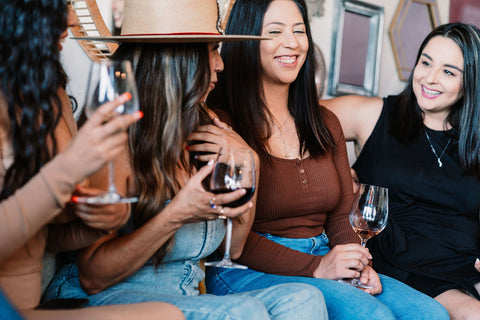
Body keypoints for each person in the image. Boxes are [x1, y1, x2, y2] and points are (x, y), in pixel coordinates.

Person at [42, 1, 328, 319]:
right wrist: (176, 214)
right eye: (210, 49)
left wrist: (251, 163)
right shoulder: (117, 135)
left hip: (183, 295)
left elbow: (231, 250)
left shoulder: (206, 130)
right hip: (105, 297)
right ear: (176, 61)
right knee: (241, 310)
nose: (220, 64)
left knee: (304, 298)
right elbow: (93, 276)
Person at [201, 0, 450, 319]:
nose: (291, 42)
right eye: (275, 31)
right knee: (371, 315)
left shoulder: (324, 122)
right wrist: (317, 266)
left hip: (323, 253)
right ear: (247, 39)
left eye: (299, 30)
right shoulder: (223, 127)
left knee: (431, 314)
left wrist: (359, 264)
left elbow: (340, 213)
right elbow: (228, 239)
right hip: (245, 267)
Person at [0, 0, 185, 319]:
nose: (72, 19)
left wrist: (99, 225)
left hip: (29, 306)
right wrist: (68, 168)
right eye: (60, 5)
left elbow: (44, 240)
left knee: (167, 314)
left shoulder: (46, 93)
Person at [322, 22, 480, 319]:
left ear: (471, 81)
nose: (429, 78)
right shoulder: (373, 115)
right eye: (425, 62)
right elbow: (292, 118)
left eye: (448, 71)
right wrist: (337, 173)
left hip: (466, 264)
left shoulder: (475, 139)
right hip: (407, 265)